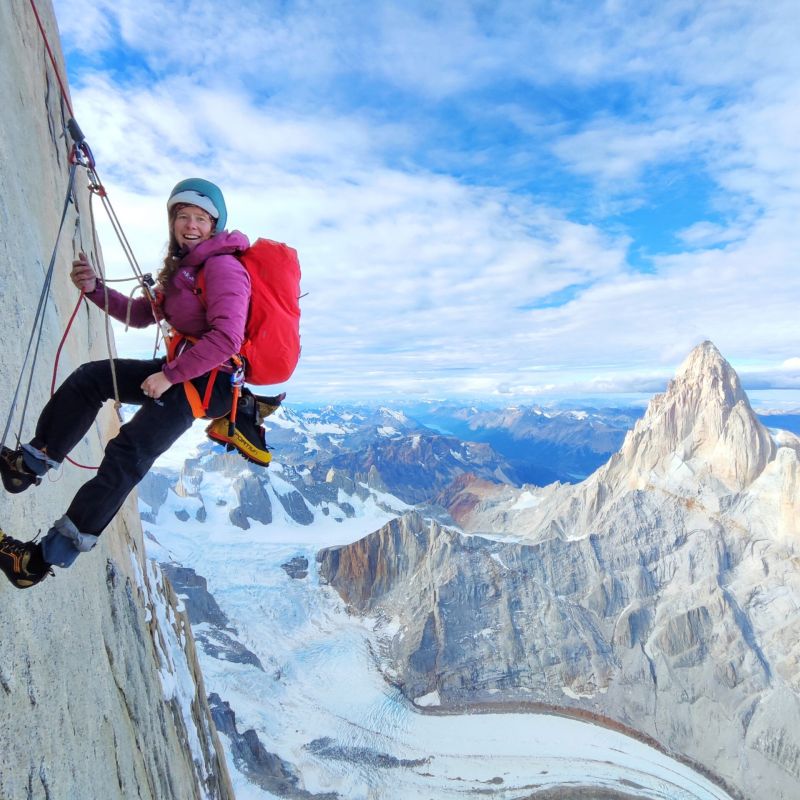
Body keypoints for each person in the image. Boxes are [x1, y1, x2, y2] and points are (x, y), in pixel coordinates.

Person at [0, 178, 251, 589]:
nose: (190, 224)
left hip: (203, 382)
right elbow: (139, 314)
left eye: (200, 218)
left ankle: (34, 563)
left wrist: (167, 377)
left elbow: (227, 339)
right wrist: (95, 290)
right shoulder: (186, 270)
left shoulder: (223, 267)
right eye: (182, 216)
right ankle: (29, 464)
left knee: (126, 456)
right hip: (185, 369)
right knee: (93, 379)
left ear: (215, 224)